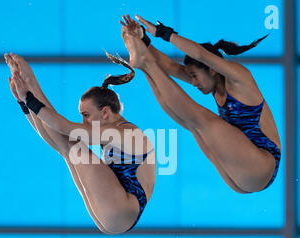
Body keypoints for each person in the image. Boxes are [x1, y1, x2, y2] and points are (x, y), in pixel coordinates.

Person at [120, 14, 281, 193]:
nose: (193, 83)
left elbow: (201, 54)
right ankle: (145, 66)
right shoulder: (212, 84)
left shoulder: (238, 78)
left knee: (199, 120)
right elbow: (171, 67)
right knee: (189, 123)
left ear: (212, 69)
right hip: (241, 177)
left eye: (195, 76)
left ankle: (146, 63)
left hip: (262, 163)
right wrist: (144, 41)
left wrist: (164, 33)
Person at [4, 52, 156, 234]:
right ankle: (29, 88)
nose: (83, 122)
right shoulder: (114, 132)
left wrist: (30, 94)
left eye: (86, 115)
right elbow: (57, 140)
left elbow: (63, 126)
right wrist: (25, 105)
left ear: (105, 112)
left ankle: (31, 84)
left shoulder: (124, 132)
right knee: (67, 151)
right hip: (118, 213)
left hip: (123, 207)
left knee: (72, 146)